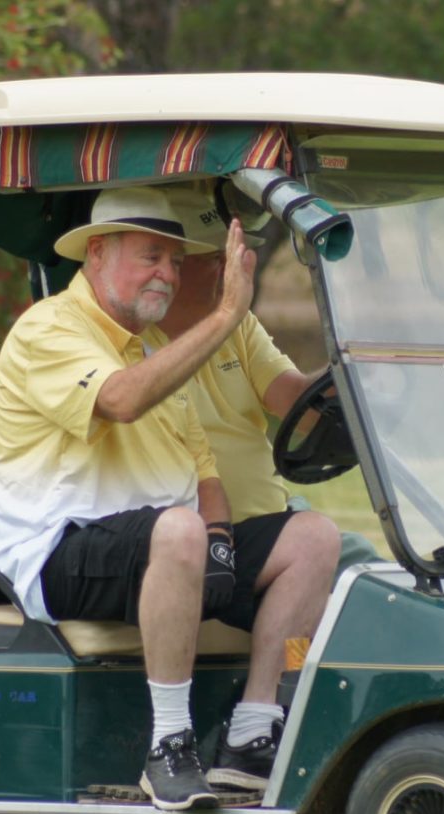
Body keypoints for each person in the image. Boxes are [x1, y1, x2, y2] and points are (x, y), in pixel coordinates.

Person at [0, 186, 339, 812]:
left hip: (164, 547)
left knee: (313, 537)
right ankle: (170, 744)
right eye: (151, 257)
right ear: (97, 254)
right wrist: (226, 315)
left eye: (175, 262)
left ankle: (253, 730)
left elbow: (204, 475)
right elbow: (120, 400)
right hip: (60, 553)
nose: (168, 275)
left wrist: (221, 542)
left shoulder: (152, 349)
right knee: (178, 529)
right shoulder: (49, 328)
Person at [160, 185, 379, 570]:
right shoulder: (130, 343)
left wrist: (351, 364)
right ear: (173, 266)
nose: (231, 270)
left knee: (365, 564)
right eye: (216, 258)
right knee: (345, 558)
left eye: (230, 257)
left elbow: (298, 404)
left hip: (272, 521)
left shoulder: (237, 325)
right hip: (208, 541)